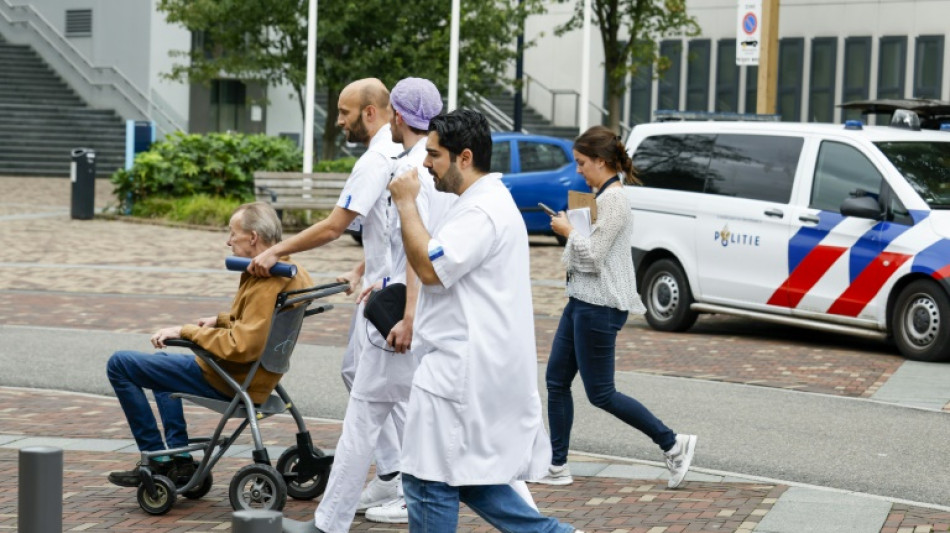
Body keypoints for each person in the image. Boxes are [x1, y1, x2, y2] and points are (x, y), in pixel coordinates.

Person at [386, 109, 577, 532]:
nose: (425, 164)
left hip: (460, 372)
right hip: (463, 368)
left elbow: (431, 268)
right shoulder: (482, 203)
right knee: (471, 480)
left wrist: (405, 204)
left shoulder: (481, 213)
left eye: (434, 155)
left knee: (428, 481)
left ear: (464, 157)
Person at [274, 78, 418, 533]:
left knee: (376, 400)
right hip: (381, 289)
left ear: (372, 113)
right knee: (361, 379)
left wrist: (274, 252)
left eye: (344, 112)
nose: (338, 121)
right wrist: (361, 268)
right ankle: (394, 476)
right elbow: (391, 227)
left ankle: (395, 487)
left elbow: (335, 226)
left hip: (389, 298)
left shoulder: (378, 159)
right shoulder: (397, 155)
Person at [105, 202, 313, 487]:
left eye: (233, 233)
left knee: (120, 364)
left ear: (253, 237)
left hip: (230, 377)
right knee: (160, 368)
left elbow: (241, 346)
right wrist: (220, 320)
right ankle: (176, 459)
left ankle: (155, 456)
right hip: (260, 376)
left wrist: (187, 331)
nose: (228, 241)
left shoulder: (268, 282)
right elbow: (261, 322)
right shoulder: (294, 271)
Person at [536, 125, 697, 489]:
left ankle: (673, 443)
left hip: (601, 305)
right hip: (581, 300)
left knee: (601, 394)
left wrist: (568, 231)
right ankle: (557, 465)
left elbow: (592, 255)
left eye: (581, 163)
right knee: (556, 380)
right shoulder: (598, 197)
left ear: (602, 161)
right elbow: (586, 255)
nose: (577, 169)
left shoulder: (615, 202)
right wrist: (573, 227)